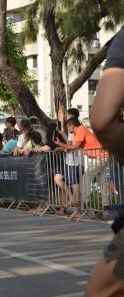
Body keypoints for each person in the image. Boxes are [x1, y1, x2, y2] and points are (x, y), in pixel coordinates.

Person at [86, 26, 124, 296]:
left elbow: (101, 119)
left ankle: (90, 203)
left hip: (98, 158)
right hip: (99, 160)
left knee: (102, 289)